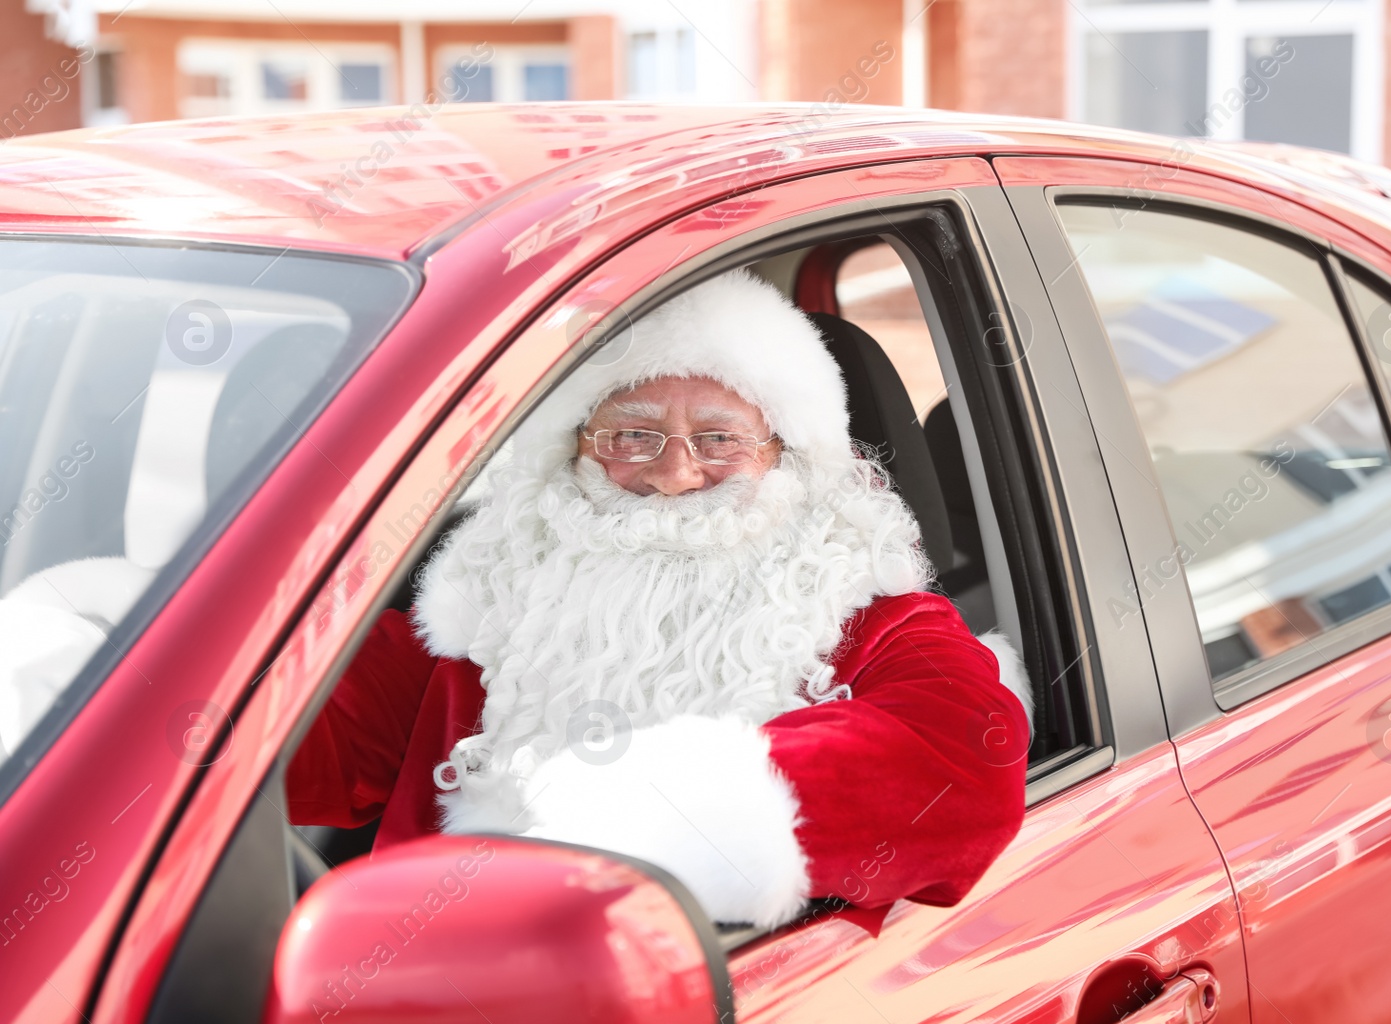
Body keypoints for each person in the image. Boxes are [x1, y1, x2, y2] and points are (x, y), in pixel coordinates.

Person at [287, 269, 1031, 927]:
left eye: (718, 440)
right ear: (574, 451)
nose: (674, 476)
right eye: (632, 436)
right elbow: (288, 734)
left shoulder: (870, 617)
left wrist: (620, 815)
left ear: (785, 460)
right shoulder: (490, 610)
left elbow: (960, 764)